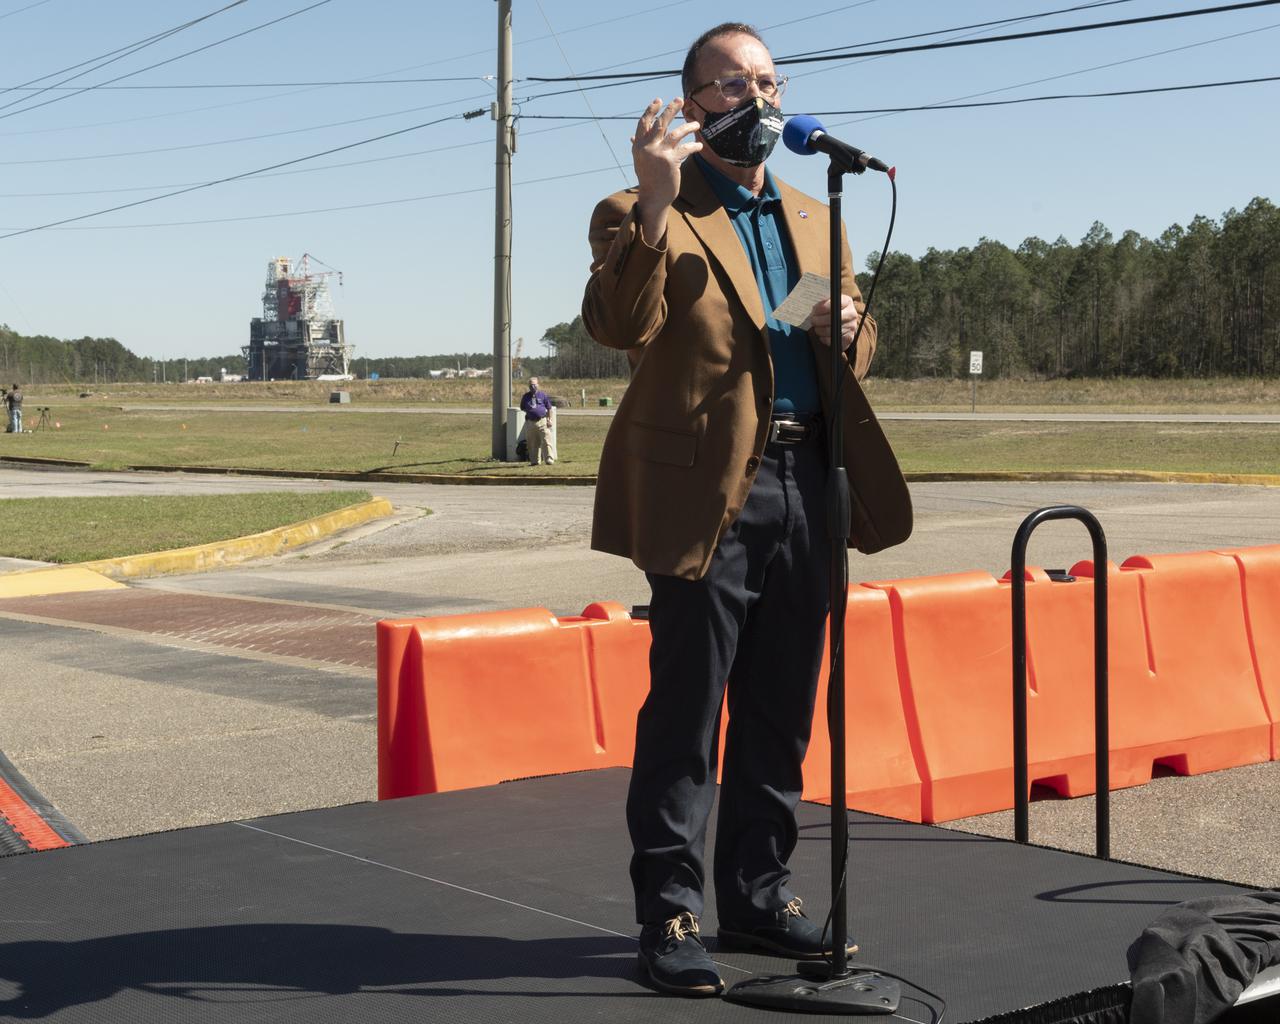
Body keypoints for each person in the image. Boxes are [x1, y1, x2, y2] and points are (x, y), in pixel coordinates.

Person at [581, 23, 912, 997]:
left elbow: (843, 344)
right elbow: (617, 324)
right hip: (706, 492)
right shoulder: (648, 207)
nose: (757, 100)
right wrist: (649, 201)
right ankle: (670, 911)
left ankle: (757, 894)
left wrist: (849, 331)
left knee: (779, 703)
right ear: (690, 105)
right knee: (687, 711)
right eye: (732, 84)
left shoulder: (814, 219)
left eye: (767, 81)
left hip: (808, 481)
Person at [519, 377, 555, 466]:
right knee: (533, 443)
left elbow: (549, 408)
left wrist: (549, 420)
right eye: (531, 385)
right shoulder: (526, 397)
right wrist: (532, 412)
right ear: (529, 386)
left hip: (542, 421)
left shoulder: (543, 395)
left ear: (538, 385)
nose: (533, 386)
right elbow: (523, 408)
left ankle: (549, 459)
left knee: (546, 440)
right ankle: (535, 461)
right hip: (531, 422)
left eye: (534, 384)